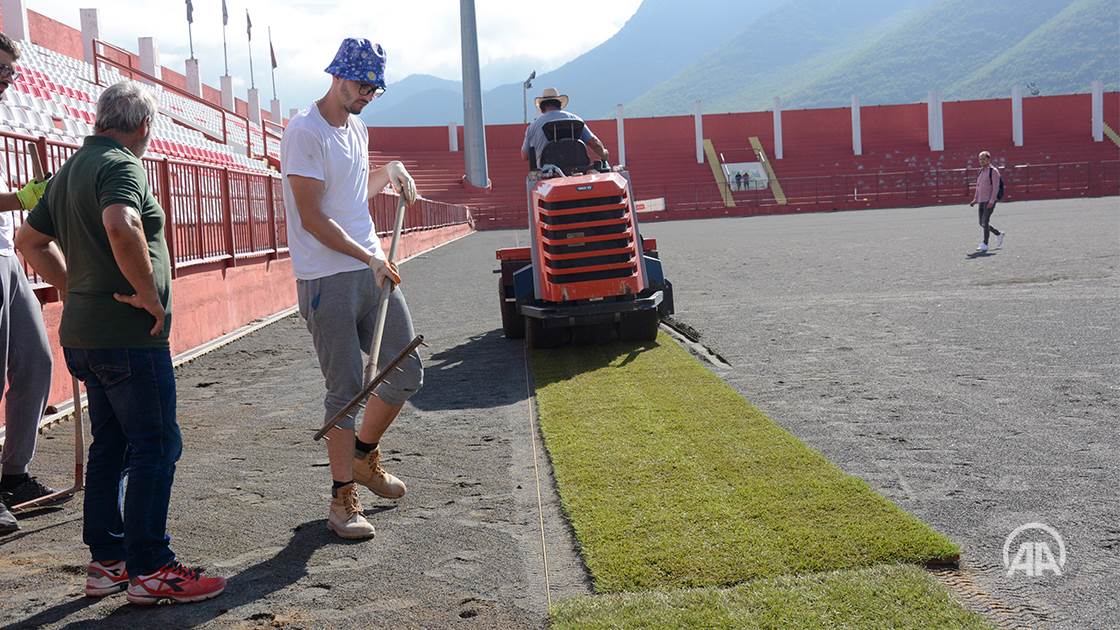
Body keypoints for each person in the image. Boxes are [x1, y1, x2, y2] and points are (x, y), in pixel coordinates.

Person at [16, 81, 226, 604]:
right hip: (128, 337)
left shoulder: (68, 171)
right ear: (144, 126)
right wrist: (147, 294)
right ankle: (152, 567)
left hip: (86, 335)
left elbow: (28, 240)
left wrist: (70, 287)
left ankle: (108, 562)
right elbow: (121, 221)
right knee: (155, 445)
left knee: (110, 445)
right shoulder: (122, 164)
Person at [281, 38, 423, 540]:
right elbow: (313, 217)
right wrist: (369, 256)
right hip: (327, 276)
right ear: (338, 76)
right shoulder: (304, 132)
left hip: (370, 267)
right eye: (363, 85)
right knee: (344, 392)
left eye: (374, 89)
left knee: (405, 371)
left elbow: (350, 196)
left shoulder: (358, 128)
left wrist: (390, 172)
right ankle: (342, 500)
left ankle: (362, 457)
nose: (367, 95)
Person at [0, 31, 63, 536]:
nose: (7, 81)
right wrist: (26, 197)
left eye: (11, 73)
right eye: (1, 71)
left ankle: (12, 474)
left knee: (36, 362)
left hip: (6, 256)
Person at [520, 87, 608, 168]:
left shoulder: (532, 127)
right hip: (578, 172)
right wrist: (604, 153)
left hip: (547, 175)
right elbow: (594, 143)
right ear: (559, 104)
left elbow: (525, 156)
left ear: (542, 106)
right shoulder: (576, 119)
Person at [969, 150, 1005, 253]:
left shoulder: (993, 171)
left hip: (989, 201)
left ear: (989, 159)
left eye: (984, 159)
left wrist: (992, 200)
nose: (981, 161)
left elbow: (995, 187)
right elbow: (978, 187)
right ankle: (998, 234)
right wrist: (975, 199)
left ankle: (985, 243)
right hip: (981, 200)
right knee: (981, 223)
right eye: (980, 159)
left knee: (985, 221)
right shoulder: (980, 171)